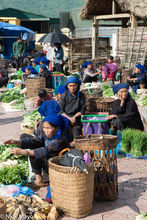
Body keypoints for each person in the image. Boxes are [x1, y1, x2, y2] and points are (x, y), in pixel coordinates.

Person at [4, 114, 70, 187]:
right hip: (47, 160)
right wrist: (16, 142)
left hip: (56, 166)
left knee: (33, 152)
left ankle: (41, 179)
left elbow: (45, 150)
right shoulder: (47, 135)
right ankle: (40, 179)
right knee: (32, 144)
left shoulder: (60, 140)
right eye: (44, 128)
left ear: (57, 128)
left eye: (48, 128)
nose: (46, 131)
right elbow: (37, 140)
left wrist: (23, 152)